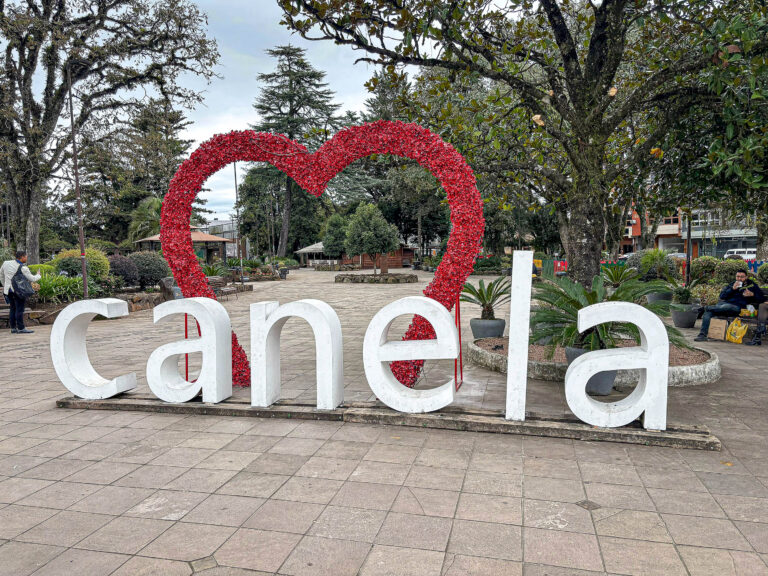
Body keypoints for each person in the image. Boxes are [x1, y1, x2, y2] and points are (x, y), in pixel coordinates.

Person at [695, 270, 765, 342]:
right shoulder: (732, 284)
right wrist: (732, 289)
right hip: (722, 307)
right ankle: (702, 335)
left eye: (742, 277)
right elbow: (722, 296)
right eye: (738, 276)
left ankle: (705, 308)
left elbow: (762, 298)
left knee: (723, 307)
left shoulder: (752, 285)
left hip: (737, 307)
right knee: (708, 312)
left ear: (746, 277)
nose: (739, 279)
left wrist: (752, 294)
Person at [0, 250, 41, 334]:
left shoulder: (6, 263)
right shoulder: (23, 268)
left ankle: (13, 328)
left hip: (8, 291)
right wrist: (38, 275)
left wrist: (5, 285)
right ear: (22, 257)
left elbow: (1, 276)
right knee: (19, 309)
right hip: (18, 291)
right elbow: (32, 279)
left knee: (12, 308)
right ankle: (21, 328)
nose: (26, 258)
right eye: (26, 256)